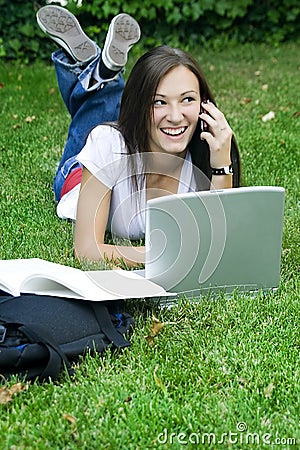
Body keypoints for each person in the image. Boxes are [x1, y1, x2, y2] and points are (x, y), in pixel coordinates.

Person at [37, 5, 241, 268]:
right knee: (94, 118)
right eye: (159, 102)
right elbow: (87, 250)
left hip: (129, 136)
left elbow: (218, 241)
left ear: (205, 105)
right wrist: (159, 256)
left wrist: (222, 162)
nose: (176, 116)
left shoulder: (202, 160)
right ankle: (101, 75)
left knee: (101, 111)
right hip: (78, 176)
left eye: (187, 99)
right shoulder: (107, 145)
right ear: (140, 106)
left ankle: (101, 72)